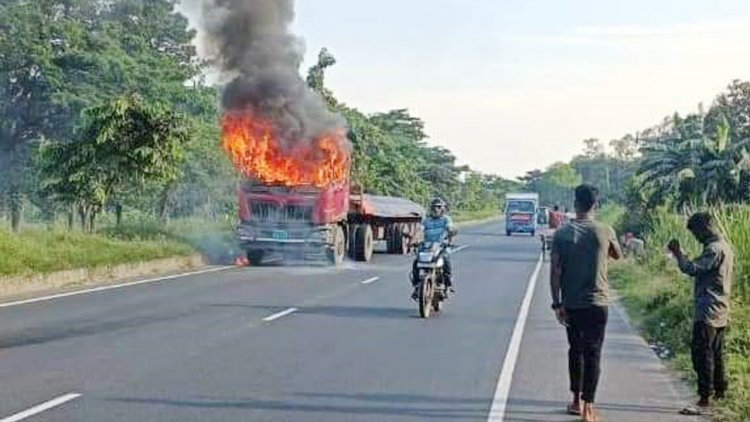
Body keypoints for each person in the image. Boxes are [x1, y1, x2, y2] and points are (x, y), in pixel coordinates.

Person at [550, 184, 622, 422]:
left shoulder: (561, 234)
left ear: (575, 204)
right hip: (598, 303)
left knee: (576, 351)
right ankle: (589, 407)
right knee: (593, 353)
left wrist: (556, 303)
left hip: (572, 303)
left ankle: (575, 400)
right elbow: (618, 255)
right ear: (596, 205)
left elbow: (555, 272)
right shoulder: (605, 230)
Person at [668, 212, 734, 415]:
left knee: (702, 354)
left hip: (708, 309)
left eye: (696, 232)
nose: (696, 237)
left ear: (705, 228)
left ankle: (705, 400)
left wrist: (678, 254)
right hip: (720, 308)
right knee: (716, 353)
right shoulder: (725, 247)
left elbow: (692, 268)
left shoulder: (714, 249)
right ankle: (720, 392)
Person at [411, 198, 456, 300]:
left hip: (441, 246)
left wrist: (450, 240)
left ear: (443, 209)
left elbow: (450, 230)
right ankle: (417, 286)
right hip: (427, 247)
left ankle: (448, 284)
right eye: (434, 207)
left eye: (439, 207)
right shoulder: (426, 220)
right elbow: (419, 231)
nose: (436, 209)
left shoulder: (446, 219)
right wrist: (413, 241)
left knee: (446, 261)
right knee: (416, 263)